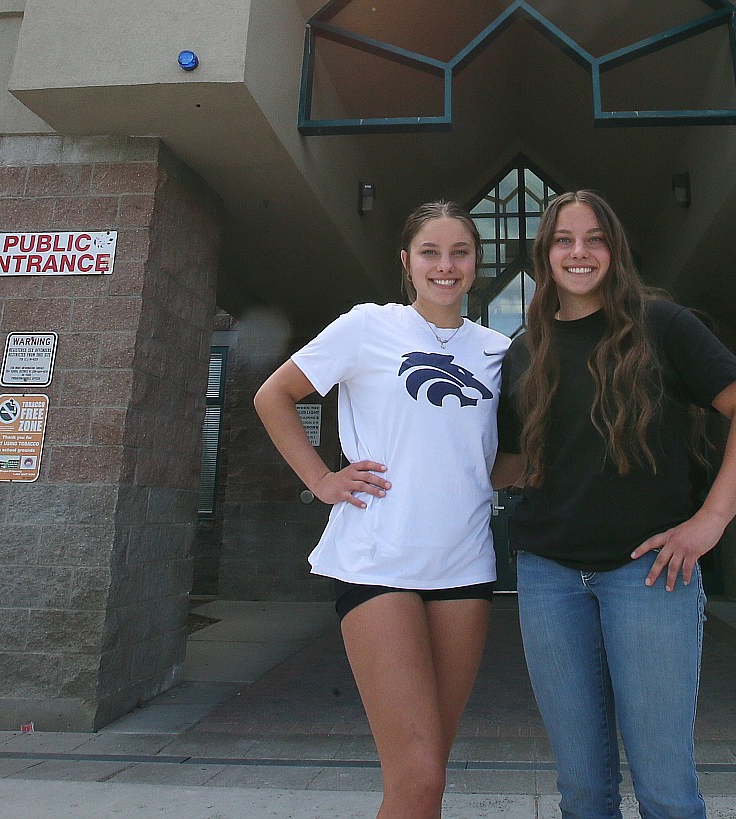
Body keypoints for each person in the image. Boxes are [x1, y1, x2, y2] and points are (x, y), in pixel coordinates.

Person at [493, 190, 736, 818]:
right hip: (547, 576)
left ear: (615, 250)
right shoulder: (524, 349)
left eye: (595, 238)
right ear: (544, 256)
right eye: (564, 240)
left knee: (664, 788)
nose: (579, 252)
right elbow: (511, 465)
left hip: (648, 574)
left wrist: (709, 523)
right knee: (584, 789)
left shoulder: (665, 327)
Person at [254, 201, 509, 818]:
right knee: (419, 780)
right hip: (378, 565)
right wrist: (322, 479)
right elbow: (275, 395)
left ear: (477, 262)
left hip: (465, 570)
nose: (444, 266)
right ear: (406, 261)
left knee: (423, 781)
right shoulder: (367, 327)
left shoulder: (500, 352)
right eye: (430, 252)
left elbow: (497, 460)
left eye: (459, 252)